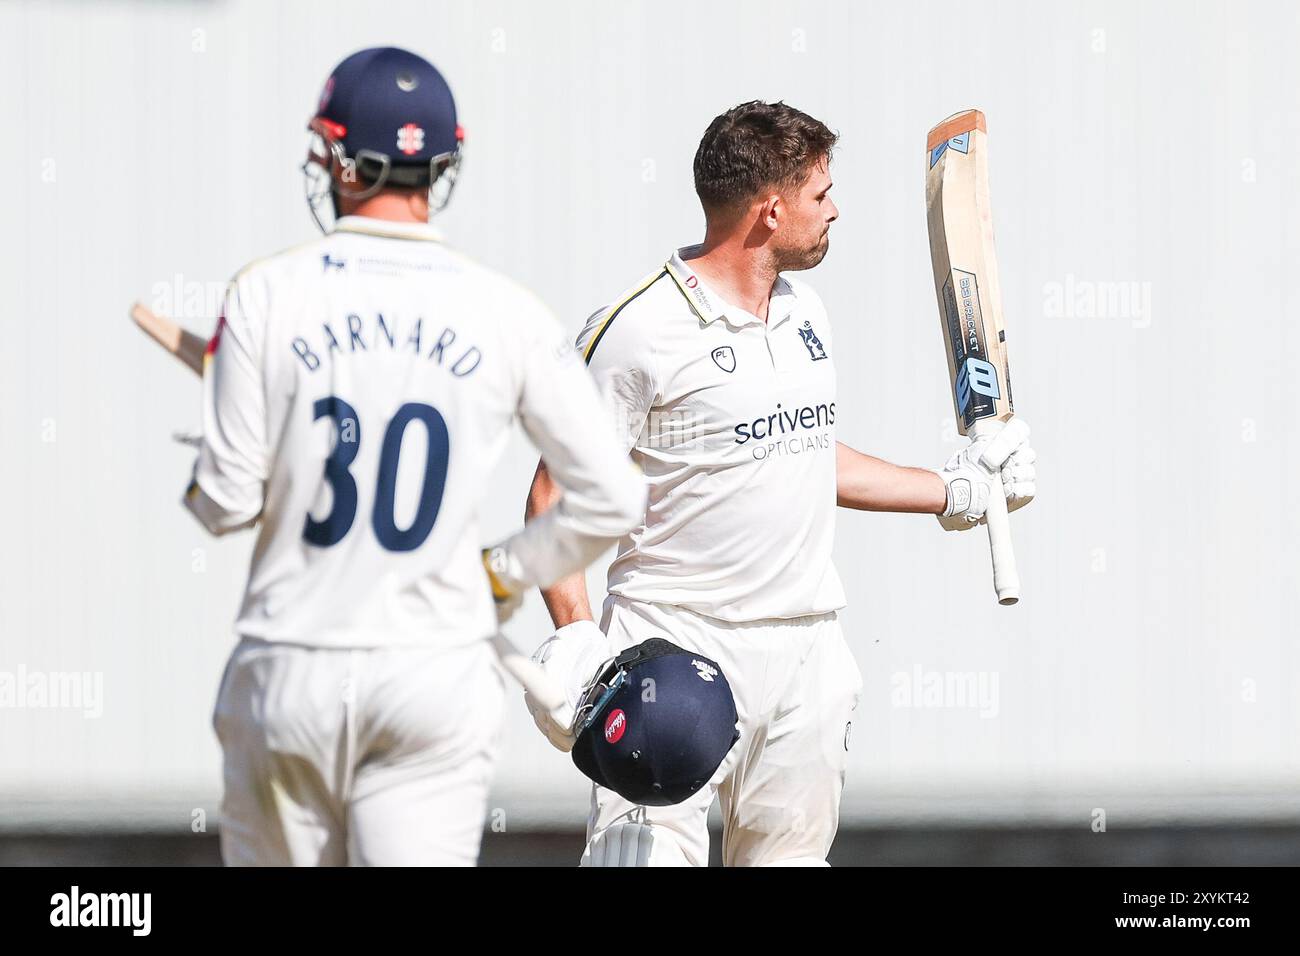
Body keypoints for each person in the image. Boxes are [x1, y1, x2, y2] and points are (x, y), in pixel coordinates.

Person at [523, 100, 1036, 867]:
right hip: (674, 649)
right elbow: (550, 497)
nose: (837, 211)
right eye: (821, 195)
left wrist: (958, 490)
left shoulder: (804, 313)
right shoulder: (638, 329)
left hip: (804, 651)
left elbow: (806, 455)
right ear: (770, 211)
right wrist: (576, 638)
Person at [182, 46, 644, 866]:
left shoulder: (265, 293)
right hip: (435, 667)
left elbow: (223, 503)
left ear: (336, 156)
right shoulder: (505, 310)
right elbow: (611, 496)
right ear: (444, 165)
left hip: (291, 665)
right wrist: (503, 573)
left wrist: (224, 446)